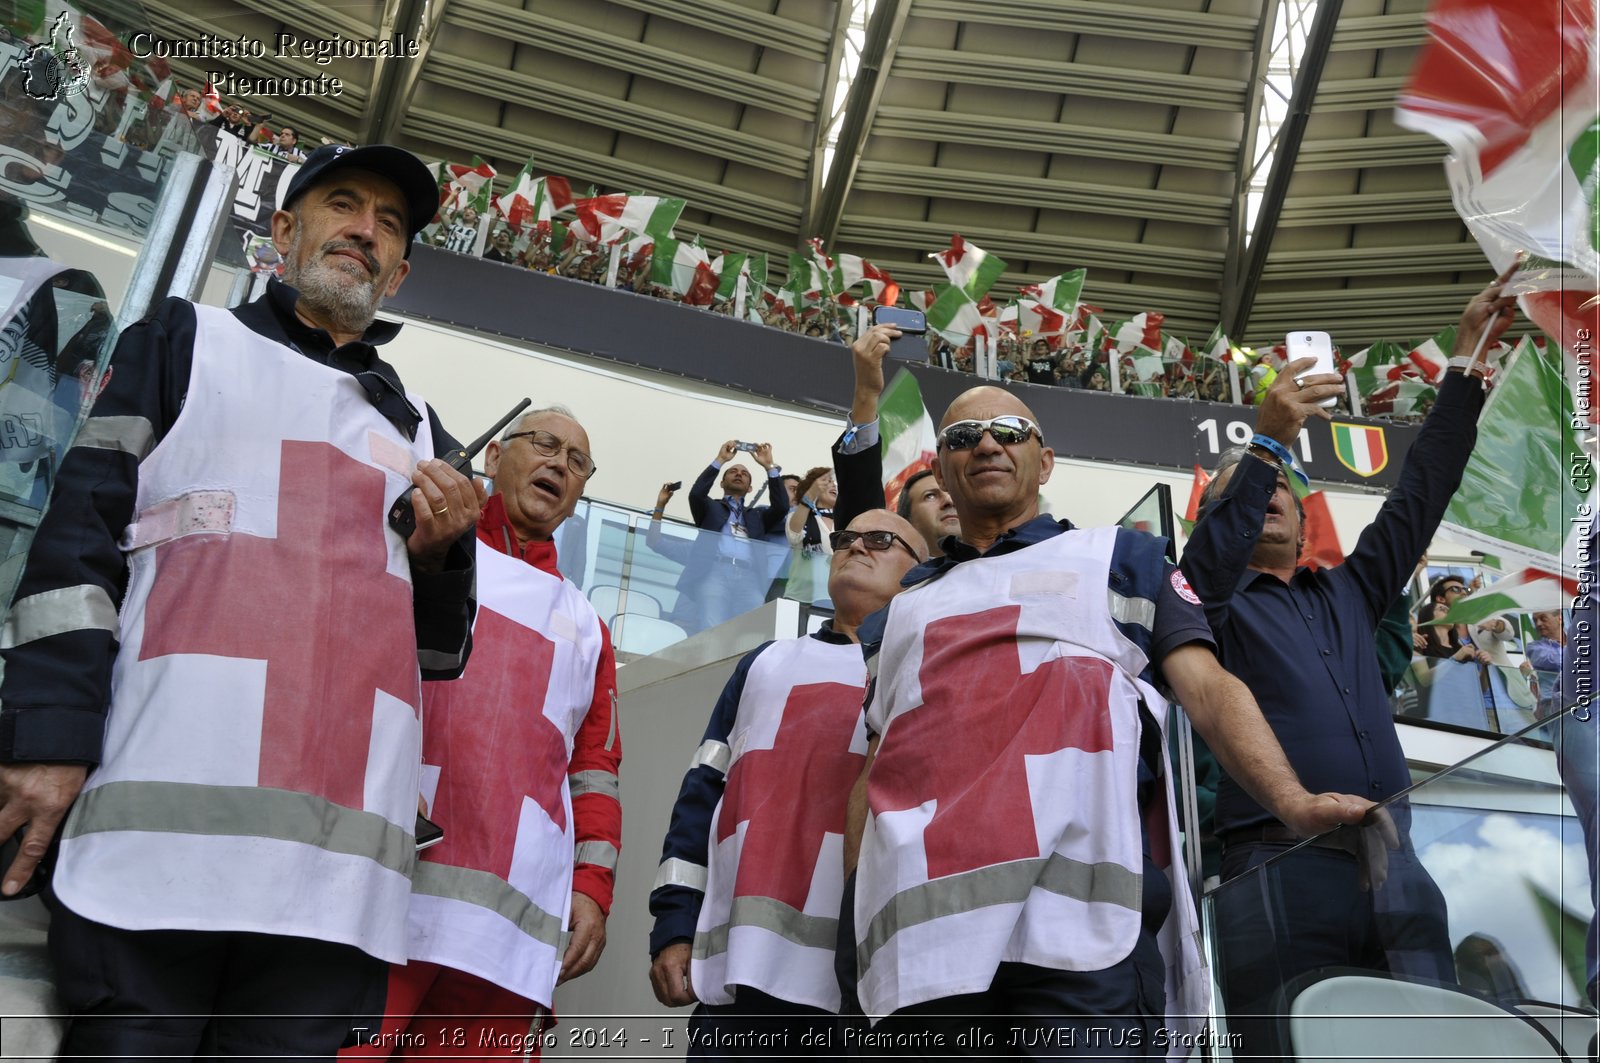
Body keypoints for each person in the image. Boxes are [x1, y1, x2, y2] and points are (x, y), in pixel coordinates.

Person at [0, 142, 484, 1058]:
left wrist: (441, 561)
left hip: (330, 883)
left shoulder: (427, 436)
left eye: (389, 226)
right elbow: (76, 541)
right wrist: (47, 738)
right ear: (284, 230)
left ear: (402, 271)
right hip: (157, 844)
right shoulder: (182, 343)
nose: (365, 231)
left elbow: (437, 656)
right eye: (344, 205)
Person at [845, 385, 1373, 1052]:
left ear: (1046, 460)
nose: (985, 443)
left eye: (1009, 430)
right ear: (943, 472)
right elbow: (875, 766)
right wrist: (853, 916)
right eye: (961, 437)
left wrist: (1292, 800)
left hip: (1081, 933)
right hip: (923, 947)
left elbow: (1207, 688)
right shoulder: (899, 613)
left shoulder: (1122, 557)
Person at [1181, 270, 1519, 1060]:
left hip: (1393, 857)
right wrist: (1265, 443)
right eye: (1236, 488)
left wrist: (1466, 363)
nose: (1259, 494)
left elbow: (1421, 491)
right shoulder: (1201, 605)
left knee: (1428, 1047)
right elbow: (1207, 559)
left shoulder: (1352, 589)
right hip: (1273, 862)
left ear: (1304, 520)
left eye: (1275, 489)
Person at [348, 406, 620, 1058]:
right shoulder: (425, 551)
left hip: (505, 932)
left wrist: (591, 888)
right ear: (494, 456)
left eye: (576, 460)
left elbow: (594, 770)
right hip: (384, 891)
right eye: (545, 445)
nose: (559, 463)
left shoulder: (588, 626)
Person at [648, 509, 928, 1054]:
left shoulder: (924, 666)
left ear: (919, 573)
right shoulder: (763, 664)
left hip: (863, 993)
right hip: (740, 984)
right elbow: (702, 797)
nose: (855, 547)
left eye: (880, 540)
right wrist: (676, 925)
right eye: (846, 538)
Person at [831, 324, 960, 558]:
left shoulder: (1005, 567)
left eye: (952, 492)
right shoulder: (889, 583)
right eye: (930, 496)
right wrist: (866, 394)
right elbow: (861, 515)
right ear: (905, 523)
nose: (949, 500)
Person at [683, 440, 790, 628]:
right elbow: (696, 494)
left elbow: (782, 506)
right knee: (711, 625)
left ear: (750, 488)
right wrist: (721, 459)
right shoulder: (710, 507)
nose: (739, 474)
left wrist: (769, 466)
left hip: (750, 577)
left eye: (745, 474)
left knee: (749, 629)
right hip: (715, 571)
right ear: (722, 483)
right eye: (733, 471)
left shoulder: (757, 515)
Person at [782, 466, 836, 604]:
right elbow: (794, 536)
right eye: (827, 482)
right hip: (801, 596)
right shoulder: (797, 515)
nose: (833, 485)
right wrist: (810, 494)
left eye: (834, 482)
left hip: (835, 597)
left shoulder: (844, 522)